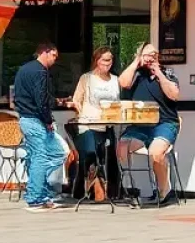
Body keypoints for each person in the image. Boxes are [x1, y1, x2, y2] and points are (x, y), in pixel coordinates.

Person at [117, 43, 183, 205]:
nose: (151, 58)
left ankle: (163, 190)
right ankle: (131, 189)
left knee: (156, 153)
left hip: (165, 123)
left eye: (154, 54)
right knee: (122, 148)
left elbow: (174, 95)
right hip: (140, 126)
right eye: (147, 54)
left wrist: (158, 73)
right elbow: (123, 83)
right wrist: (136, 62)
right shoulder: (136, 74)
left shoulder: (167, 72)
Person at [14, 42, 67, 213]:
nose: (55, 60)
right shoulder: (40, 71)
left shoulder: (23, 69)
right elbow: (41, 99)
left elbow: (19, 96)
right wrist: (48, 120)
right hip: (36, 120)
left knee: (40, 156)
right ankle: (36, 196)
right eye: (54, 55)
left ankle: (40, 192)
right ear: (45, 52)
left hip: (24, 118)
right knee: (47, 155)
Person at [71, 46, 120, 198]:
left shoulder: (115, 80)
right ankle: (91, 188)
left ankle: (110, 192)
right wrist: (83, 114)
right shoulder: (87, 78)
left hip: (107, 125)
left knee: (110, 157)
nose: (108, 63)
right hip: (89, 124)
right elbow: (76, 100)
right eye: (104, 59)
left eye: (110, 60)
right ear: (97, 60)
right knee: (90, 154)